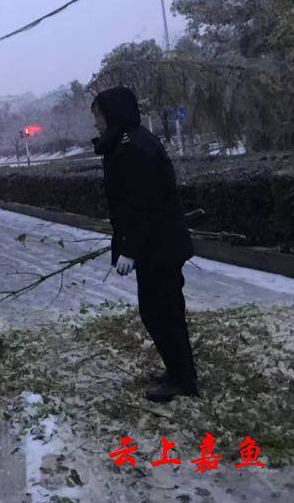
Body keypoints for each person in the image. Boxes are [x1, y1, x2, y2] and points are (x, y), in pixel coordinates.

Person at [92, 86, 198, 403]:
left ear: (113, 113)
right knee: (160, 312)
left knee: (161, 313)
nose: (96, 122)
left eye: (98, 115)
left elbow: (143, 206)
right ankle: (178, 371)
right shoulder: (127, 142)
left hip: (159, 248)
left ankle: (183, 379)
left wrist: (129, 249)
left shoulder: (133, 148)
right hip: (156, 246)